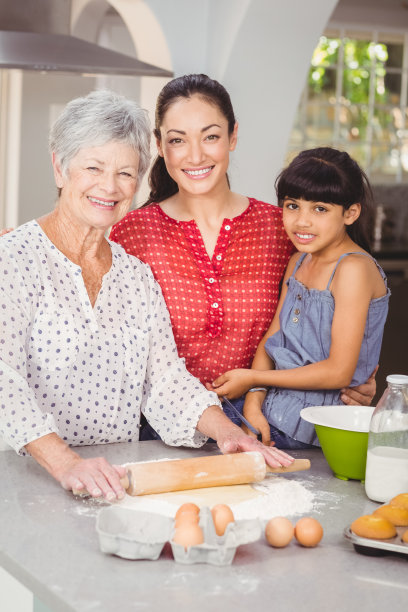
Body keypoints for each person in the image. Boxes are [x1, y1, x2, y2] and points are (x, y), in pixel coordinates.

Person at [0, 90, 294, 501]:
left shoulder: (135, 276)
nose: (110, 185)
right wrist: (66, 462)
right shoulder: (13, 259)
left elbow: (165, 381)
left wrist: (228, 434)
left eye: (126, 173)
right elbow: (4, 381)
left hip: (115, 480)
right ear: (59, 168)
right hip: (26, 480)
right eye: (93, 167)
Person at [110, 74, 376, 437]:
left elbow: (318, 329)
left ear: (233, 136)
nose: (196, 155)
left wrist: (354, 383)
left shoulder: (282, 229)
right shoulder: (131, 233)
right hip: (159, 430)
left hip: (267, 426)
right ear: (159, 144)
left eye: (211, 136)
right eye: (177, 140)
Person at [209, 147, 390, 448]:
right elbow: (273, 338)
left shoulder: (353, 269)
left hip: (314, 431)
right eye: (293, 206)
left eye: (320, 209)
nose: (302, 221)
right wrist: (254, 402)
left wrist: (253, 378)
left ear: (350, 213)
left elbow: (338, 371)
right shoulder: (298, 262)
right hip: (270, 415)